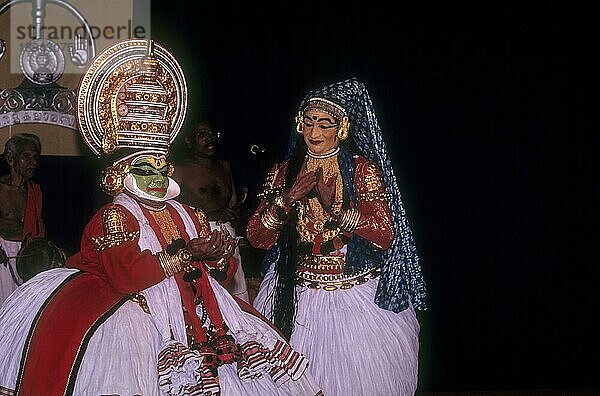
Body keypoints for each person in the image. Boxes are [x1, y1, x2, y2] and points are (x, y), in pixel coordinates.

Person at [0, 39, 321, 396]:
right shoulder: (116, 216)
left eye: (160, 167)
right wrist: (190, 255)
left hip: (202, 316)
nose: (155, 178)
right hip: (141, 316)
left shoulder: (187, 213)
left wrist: (218, 254)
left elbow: (218, 276)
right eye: (144, 168)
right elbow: (128, 276)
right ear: (122, 170)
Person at [247, 77, 428, 395]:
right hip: (297, 292)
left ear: (342, 128)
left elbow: (384, 235)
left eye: (324, 124)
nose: (314, 133)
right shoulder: (283, 171)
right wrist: (287, 200)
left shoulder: (362, 171)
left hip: (355, 295)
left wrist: (337, 210)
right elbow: (257, 238)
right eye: (309, 123)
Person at [172, 121, 250, 303]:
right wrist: (214, 216)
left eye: (211, 132)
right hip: (199, 239)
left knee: (237, 296)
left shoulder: (224, 166)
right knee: (208, 297)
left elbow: (231, 205)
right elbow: (171, 210)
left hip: (228, 237)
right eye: (201, 134)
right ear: (189, 142)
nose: (209, 137)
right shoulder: (180, 170)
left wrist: (236, 214)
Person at [0, 133, 44, 304]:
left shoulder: (34, 191)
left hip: (27, 257)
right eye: (26, 157)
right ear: (11, 158)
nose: (33, 163)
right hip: (3, 256)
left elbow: (39, 227)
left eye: (35, 158)